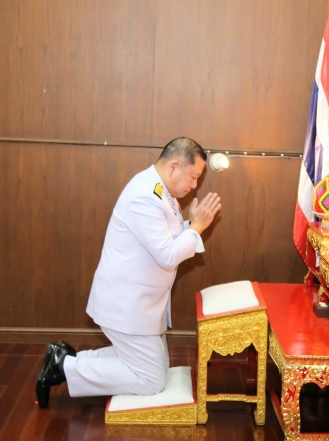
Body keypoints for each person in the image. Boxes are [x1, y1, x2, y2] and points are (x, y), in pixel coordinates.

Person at [36, 138, 221, 408]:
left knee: (156, 366)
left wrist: (190, 224)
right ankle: (64, 367)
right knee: (152, 380)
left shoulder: (157, 189)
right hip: (125, 304)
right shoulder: (144, 196)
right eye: (194, 177)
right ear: (174, 166)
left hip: (140, 302)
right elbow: (168, 255)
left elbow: (162, 238)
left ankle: (64, 358)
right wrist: (197, 227)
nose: (195, 185)